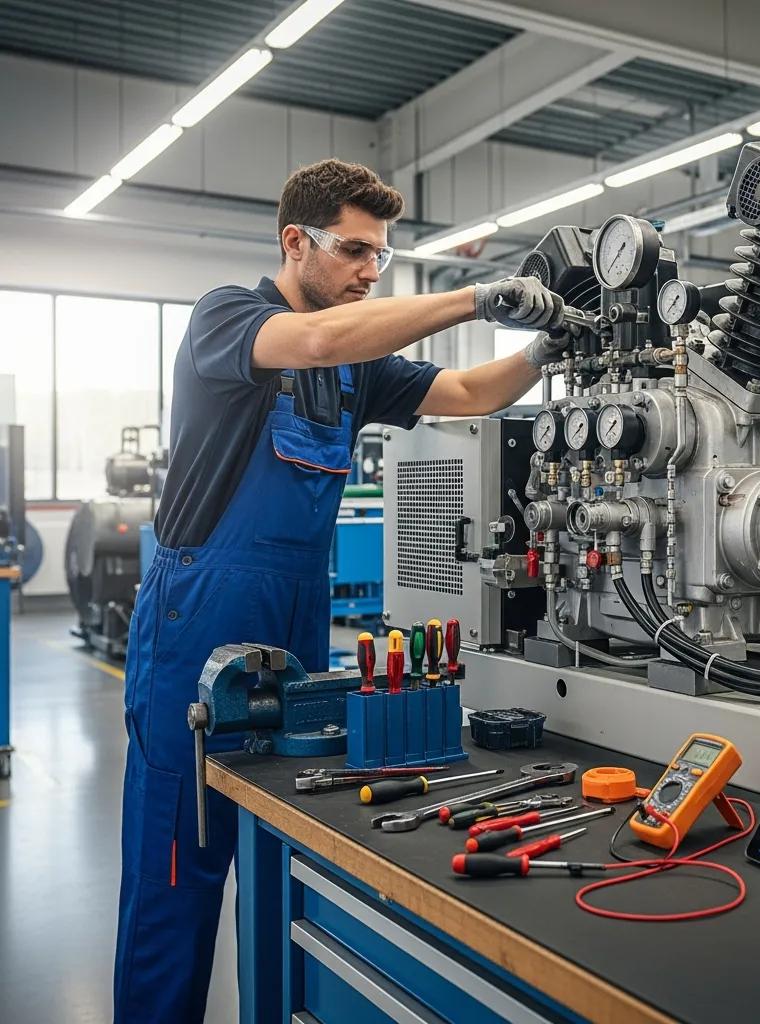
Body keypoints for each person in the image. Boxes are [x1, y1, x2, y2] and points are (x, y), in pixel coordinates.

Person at [113, 158, 567, 1023]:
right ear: (296, 242)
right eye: (357, 252)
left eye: (382, 259)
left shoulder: (358, 369)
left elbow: (472, 391)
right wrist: (478, 298)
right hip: (197, 617)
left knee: (281, 842)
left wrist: (548, 349)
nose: (369, 272)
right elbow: (315, 339)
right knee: (177, 861)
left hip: (296, 622)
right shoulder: (229, 319)